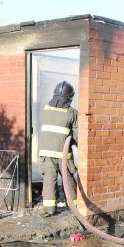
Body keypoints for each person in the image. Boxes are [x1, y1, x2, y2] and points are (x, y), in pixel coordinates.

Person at [38, 81, 78, 216]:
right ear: (70, 97)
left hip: (45, 153)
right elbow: (78, 136)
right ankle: (74, 206)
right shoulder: (72, 113)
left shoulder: (45, 109)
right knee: (68, 180)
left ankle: (49, 209)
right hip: (63, 154)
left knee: (49, 179)